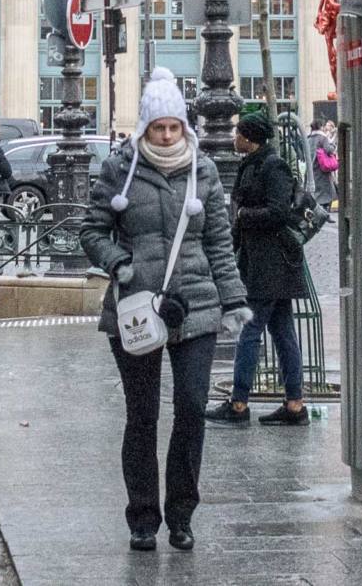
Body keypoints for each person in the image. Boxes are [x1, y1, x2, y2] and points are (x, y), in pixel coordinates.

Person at [83, 69, 247, 553]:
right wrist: (119, 263)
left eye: (175, 126)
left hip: (195, 306)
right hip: (136, 309)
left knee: (192, 410)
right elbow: (92, 231)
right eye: (160, 128)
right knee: (142, 415)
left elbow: (219, 241)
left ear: (185, 126)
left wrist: (234, 299)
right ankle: (141, 518)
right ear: (145, 128)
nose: (168, 135)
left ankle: (181, 514)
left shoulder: (205, 170)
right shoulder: (120, 169)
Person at [209, 110, 310, 426]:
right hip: (262, 262)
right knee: (282, 332)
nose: (234, 138)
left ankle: (239, 404)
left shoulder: (272, 166)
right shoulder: (252, 164)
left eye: (238, 133)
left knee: (250, 330)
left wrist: (244, 218)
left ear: (249, 138)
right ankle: (294, 405)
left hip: (272, 265)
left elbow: (279, 211)